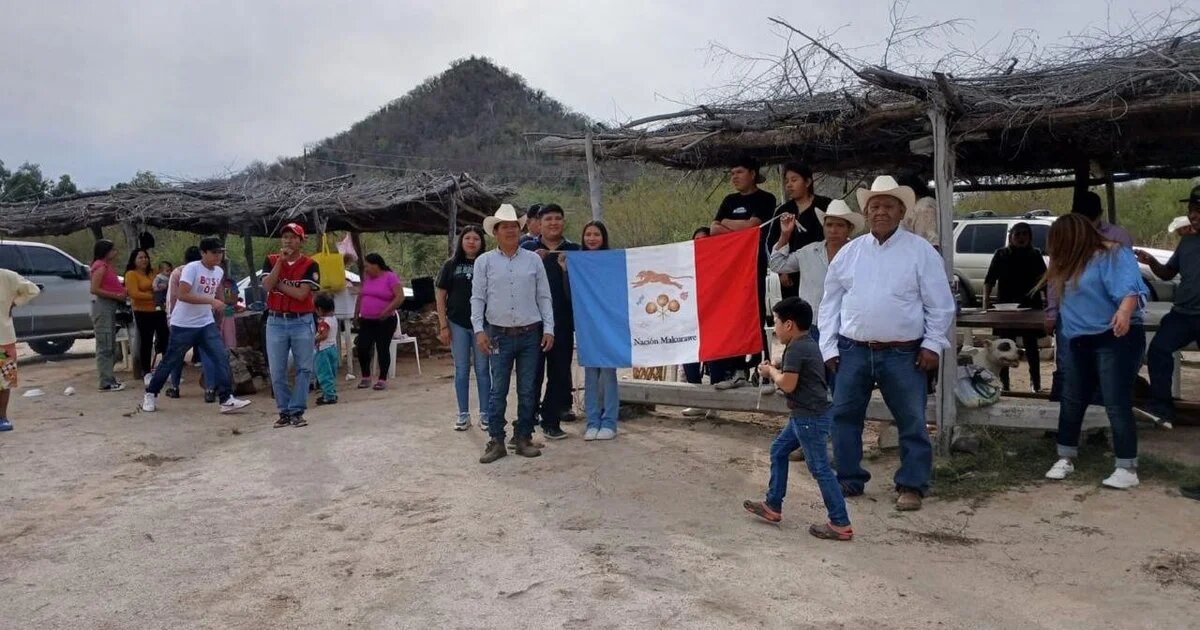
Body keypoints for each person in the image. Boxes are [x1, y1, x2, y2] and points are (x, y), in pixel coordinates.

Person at [818, 175, 956, 511]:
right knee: (844, 416)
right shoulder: (850, 253)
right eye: (875, 206)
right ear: (866, 213)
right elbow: (830, 303)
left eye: (888, 206)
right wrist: (829, 347)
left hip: (904, 353)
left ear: (901, 212)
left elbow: (940, 304)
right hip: (852, 350)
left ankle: (911, 485)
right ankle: (849, 479)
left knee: (911, 420)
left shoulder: (921, 252)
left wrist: (932, 344)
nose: (880, 212)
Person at [1040, 214, 1146, 489]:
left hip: (1115, 336)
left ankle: (1127, 466)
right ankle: (1065, 456)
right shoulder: (1065, 264)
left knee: (1115, 400)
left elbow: (1131, 289)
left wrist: (1124, 312)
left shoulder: (1113, 254)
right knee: (1071, 397)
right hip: (1078, 337)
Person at [743, 297, 852, 541]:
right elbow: (799, 371)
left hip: (809, 417)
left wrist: (771, 371)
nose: (775, 328)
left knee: (819, 468)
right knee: (778, 450)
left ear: (789, 324)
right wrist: (779, 364)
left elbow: (788, 384)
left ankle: (840, 522)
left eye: (776, 322)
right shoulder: (807, 342)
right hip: (807, 414)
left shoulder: (796, 348)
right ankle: (773, 505)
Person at [471, 204, 555, 463]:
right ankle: (496, 439)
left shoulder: (533, 260)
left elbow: (544, 296)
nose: (510, 230)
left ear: (520, 230)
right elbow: (478, 298)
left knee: (528, 388)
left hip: (530, 332)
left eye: (514, 226)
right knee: (498, 389)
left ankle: (523, 436)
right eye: (504, 227)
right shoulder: (484, 262)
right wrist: (478, 330)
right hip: (498, 333)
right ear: (495, 232)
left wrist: (549, 328)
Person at [142, 237, 251, 415]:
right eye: (214, 252)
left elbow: (218, 296)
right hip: (183, 324)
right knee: (171, 360)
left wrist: (229, 308)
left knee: (221, 357)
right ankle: (151, 393)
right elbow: (183, 295)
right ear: (203, 253)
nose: (218, 256)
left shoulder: (218, 271)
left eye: (220, 252)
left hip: (205, 322)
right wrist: (211, 301)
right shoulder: (191, 268)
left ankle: (226, 398)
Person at [1046, 191, 1135, 400]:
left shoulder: (1118, 237)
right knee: (1067, 365)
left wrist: (1125, 311)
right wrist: (1051, 312)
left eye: (1090, 221)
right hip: (1071, 314)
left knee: (1103, 370)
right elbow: (1054, 277)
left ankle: (1097, 416)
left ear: (1100, 215)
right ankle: (1059, 412)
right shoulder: (1066, 235)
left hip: (1106, 317)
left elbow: (1128, 281)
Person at [709, 157, 777, 390]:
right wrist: (739, 227)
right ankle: (736, 370)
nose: (734, 177)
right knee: (733, 315)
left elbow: (753, 227)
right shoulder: (729, 200)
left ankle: (763, 369)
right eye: (732, 173)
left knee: (755, 315)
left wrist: (729, 224)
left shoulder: (765, 198)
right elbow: (713, 229)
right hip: (730, 268)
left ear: (752, 173)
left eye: (738, 172)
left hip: (753, 265)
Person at [1138, 186, 1200, 426]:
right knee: (1158, 351)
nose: (1192, 215)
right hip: (1182, 315)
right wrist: (1151, 261)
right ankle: (1162, 408)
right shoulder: (1187, 242)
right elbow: (1167, 274)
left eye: (1198, 210)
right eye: (1191, 209)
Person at [521, 203, 581, 440]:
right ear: (540, 223)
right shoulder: (527, 250)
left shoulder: (574, 250)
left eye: (558, 218)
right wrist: (531, 261)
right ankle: (527, 422)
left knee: (559, 374)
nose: (553, 223)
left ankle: (551, 421)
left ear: (563, 222)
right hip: (532, 323)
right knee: (532, 375)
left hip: (562, 322)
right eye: (548, 219)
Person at [262, 223, 321, 428]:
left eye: (293, 237)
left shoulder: (310, 264)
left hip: (301, 320)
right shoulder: (272, 260)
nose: (288, 240)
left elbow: (301, 294)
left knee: (304, 368)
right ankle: (284, 411)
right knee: (277, 370)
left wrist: (278, 284)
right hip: (276, 320)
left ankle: (297, 410)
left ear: (301, 241)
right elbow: (266, 285)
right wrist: (280, 262)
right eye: (285, 236)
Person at [437, 225, 491, 431]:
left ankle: (485, 413)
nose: (471, 242)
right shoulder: (451, 265)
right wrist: (443, 325)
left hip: (483, 325)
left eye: (476, 238)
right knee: (461, 369)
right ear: (461, 241)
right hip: (457, 323)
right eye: (467, 238)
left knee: (483, 369)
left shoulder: (488, 263)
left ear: (482, 242)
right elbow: (440, 296)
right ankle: (463, 414)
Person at [982, 222, 1048, 392]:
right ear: (1011, 236)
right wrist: (986, 301)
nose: (1021, 237)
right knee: (1004, 346)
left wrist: (1049, 303)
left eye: (1025, 234)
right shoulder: (1001, 254)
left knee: (1031, 347)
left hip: (1030, 307)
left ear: (1030, 237)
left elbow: (1045, 281)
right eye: (1017, 234)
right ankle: (1004, 384)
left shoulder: (1035, 254)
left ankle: (1036, 384)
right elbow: (989, 280)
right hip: (1005, 307)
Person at [570, 220, 620, 441]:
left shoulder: (612, 261)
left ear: (604, 237)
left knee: (608, 374)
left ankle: (609, 422)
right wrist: (566, 269)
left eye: (596, 234)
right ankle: (592, 421)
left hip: (609, 325)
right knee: (590, 374)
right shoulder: (577, 261)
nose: (591, 238)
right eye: (588, 234)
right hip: (587, 325)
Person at [764, 162, 830, 299]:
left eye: (794, 180)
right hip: (791, 275)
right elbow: (772, 242)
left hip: (820, 270)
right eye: (786, 181)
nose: (789, 185)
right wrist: (782, 272)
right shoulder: (783, 211)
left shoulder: (825, 205)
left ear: (807, 182)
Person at [354, 253, 405, 390]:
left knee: (382, 348)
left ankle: (382, 379)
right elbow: (361, 296)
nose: (366, 269)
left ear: (376, 265)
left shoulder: (390, 277)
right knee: (362, 347)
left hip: (385, 320)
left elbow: (400, 297)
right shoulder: (366, 278)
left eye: (367, 266)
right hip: (367, 320)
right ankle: (366, 376)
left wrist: (387, 310)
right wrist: (356, 313)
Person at [681, 227, 716, 418]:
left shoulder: (720, 263)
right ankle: (696, 401)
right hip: (691, 317)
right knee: (688, 356)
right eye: (697, 240)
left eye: (705, 239)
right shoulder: (686, 264)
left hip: (714, 317)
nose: (701, 243)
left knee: (715, 357)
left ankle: (715, 404)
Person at [0, 269, 41, 432]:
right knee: (5, 380)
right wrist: (15, 302)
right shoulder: (7, 276)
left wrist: (14, 303)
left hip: (4, 338)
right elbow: (32, 290)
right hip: (4, 337)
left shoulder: (7, 276)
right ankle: (2, 418)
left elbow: (33, 289)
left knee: (6, 380)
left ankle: (2, 417)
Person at [90, 239, 128, 392]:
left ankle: (109, 377)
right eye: (112, 250)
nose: (115, 252)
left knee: (110, 344)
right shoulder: (100, 267)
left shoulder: (107, 266)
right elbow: (94, 289)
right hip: (103, 306)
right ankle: (105, 381)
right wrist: (116, 295)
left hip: (110, 306)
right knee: (105, 345)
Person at [125, 248, 168, 381]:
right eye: (140, 257)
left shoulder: (153, 272)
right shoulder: (131, 274)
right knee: (146, 341)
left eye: (145, 257)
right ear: (134, 260)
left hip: (159, 310)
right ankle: (146, 372)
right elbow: (134, 293)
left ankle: (167, 370)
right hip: (142, 311)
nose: (144, 260)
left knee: (165, 338)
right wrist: (154, 296)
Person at [313, 293, 340, 405]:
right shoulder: (333, 319)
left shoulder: (324, 322)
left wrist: (313, 339)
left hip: (323, 350)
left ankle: (329, 396)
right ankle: (331, 392)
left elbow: (323, 335)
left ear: (319, 309)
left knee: (324, 373)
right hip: (333, 348)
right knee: (331, 373)